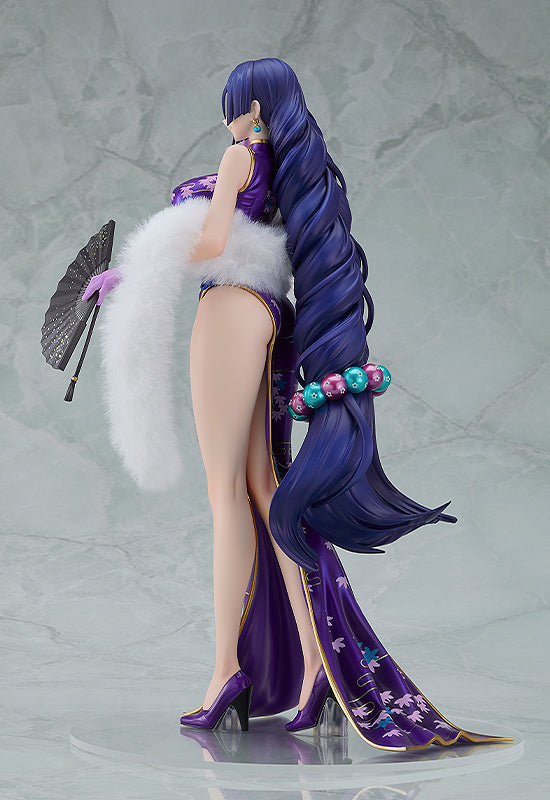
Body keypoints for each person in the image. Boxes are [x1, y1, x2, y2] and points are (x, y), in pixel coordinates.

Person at [85, 58, 508, 749]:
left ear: (252, 107)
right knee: (266, 487)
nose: (227, 117)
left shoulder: (239, 156)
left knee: (226, 493)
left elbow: (212, 241)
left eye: (232, 104)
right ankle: (317, 669)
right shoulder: (294, 168)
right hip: (269, 312)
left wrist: (133, 272)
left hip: (228, 306)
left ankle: (226, 672)